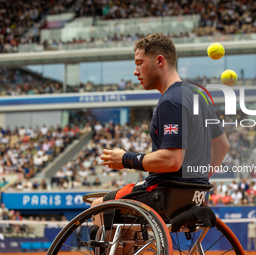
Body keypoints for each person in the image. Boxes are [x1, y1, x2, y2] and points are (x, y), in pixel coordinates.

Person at [90, 33, 229, 230]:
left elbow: (172, 161)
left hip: (163, 194)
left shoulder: (170, 101)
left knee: (97, 208)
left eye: (140, 63)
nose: (135, 71)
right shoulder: (199, 96)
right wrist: (197, 182)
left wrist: (125, 159)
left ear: (159, 61)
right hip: (196, 194)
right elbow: (222, 146)